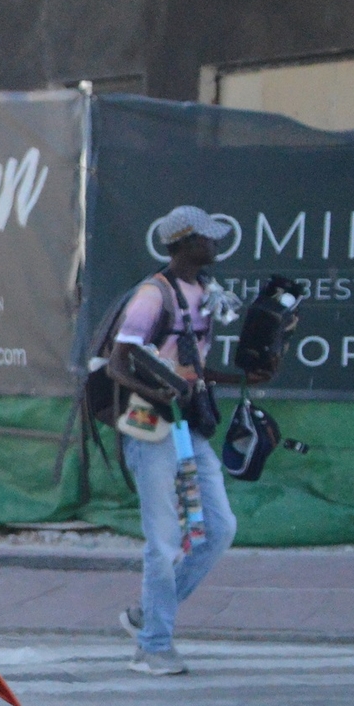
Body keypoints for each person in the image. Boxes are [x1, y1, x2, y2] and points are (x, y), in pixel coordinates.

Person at [107, 206, 240, 676]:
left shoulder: (204, 291)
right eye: (207, 238)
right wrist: (156, 392)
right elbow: (117, 363)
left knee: (220, 528)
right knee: (163, 542)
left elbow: (193, 367)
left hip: (187, 426)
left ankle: (147, 617)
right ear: (184, 243)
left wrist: (247, 376)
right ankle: (152, 647)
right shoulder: (152, 295)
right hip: (150, 426)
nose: (216, 244)